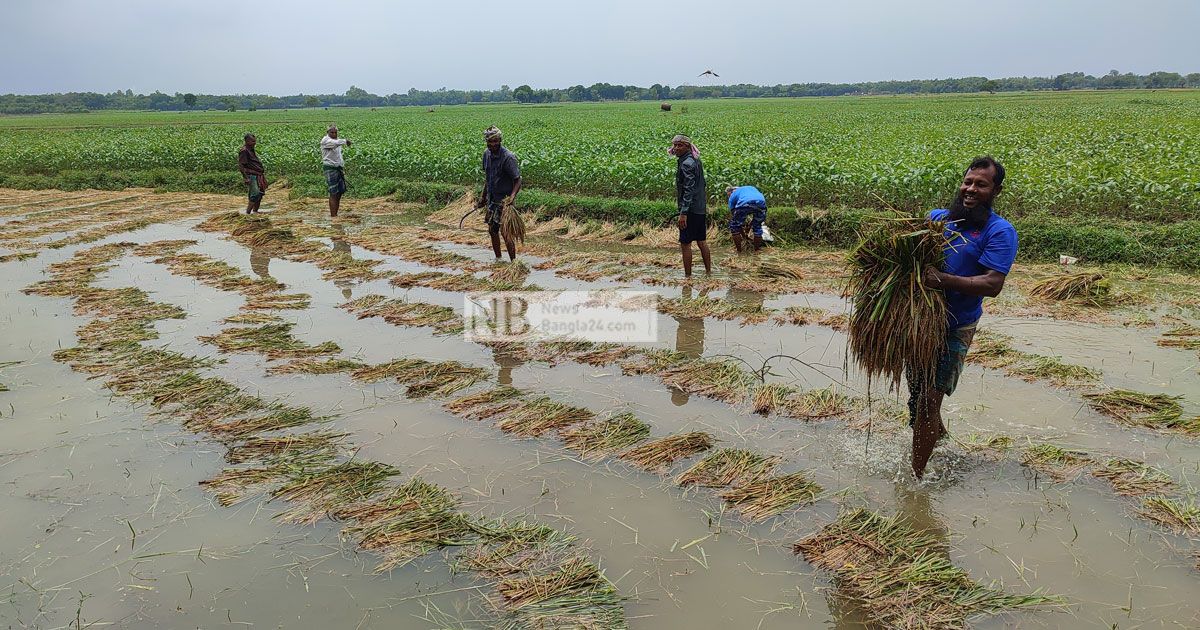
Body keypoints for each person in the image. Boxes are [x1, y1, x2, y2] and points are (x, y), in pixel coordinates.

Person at [910, 156, 1018, 478]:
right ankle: (938, 437)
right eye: (968, 182)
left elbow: (992, 284)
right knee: (918, 398)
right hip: (919, 323)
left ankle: (916, 479)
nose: (970, 189)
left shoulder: (999, 231)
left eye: (980, 185)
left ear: (996, 190)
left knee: (929, 402)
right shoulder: (937, 220)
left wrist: (940, 279)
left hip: (956, 326)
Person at [474, 126, 522, 261]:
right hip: (492, 199)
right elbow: (488, 178)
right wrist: (483, 197)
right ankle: (498, 259)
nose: (493, 144)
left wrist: (512, 198)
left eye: (496, 141)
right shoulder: (486, 155)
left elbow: (518, 180)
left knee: (506, 233)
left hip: (505, 201)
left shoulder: (508, 157)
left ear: (500, 140)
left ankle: (514, 262)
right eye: (490, 142)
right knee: (492, 230)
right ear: (486, 142)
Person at [671, 134, 711, 276]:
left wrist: (683, 213)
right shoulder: (695, 160)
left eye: (679, 145)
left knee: (685, 244)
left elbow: (689, 189)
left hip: (691, 210)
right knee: (701, 241)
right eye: (674, 145)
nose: (676, 148)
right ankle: (708, 273)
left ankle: (688, 277)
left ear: (687, 147)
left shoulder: (687, 163)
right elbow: (702, 184)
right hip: (700, 208)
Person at [320, 125, 351, 217]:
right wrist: (345, 141)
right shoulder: (326, 141)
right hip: (330, 168)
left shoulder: (336, 141)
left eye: (335, 132)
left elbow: (338, 155)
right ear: (327, 133)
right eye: (332, 132)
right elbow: (335, 143)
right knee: (333, 192)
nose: (334, 134)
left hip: (338, 168)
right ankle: (333, 216)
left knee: (339, 192)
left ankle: (335, 214)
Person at [725, 185, 767, 252]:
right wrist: (748, 229)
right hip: (761, 202)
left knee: (734, 226)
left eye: (728, 195)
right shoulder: (750, 188)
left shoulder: (733, 195)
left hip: (745, 203)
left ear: (732, 191)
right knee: (757, 226)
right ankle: (756, 250)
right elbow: (754, 220)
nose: (729, 197)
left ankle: (739, 251)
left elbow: (736, 220)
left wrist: (743, 235)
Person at [237, 133, 267, 214]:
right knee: (255, 194)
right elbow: (241, 165)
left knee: (260, 194)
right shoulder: (244, 151)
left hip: (258, 174)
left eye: (255, 141)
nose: (254, 143)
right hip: (252, 175)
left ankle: (255, 212)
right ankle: (247, 214)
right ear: (247, 141)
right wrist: (246, 178)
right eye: (252, 141)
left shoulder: (251, 149)